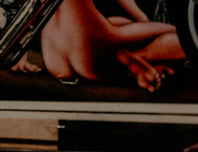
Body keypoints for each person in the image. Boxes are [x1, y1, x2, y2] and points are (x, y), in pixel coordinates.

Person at [20, 0, 185, 91]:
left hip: (56, 63)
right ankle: (137, 57)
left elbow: (28, 12)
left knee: (120, 22)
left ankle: (128, 60)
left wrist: (20, 54)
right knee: (182, 39)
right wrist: (143, 19)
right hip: (89, 48)